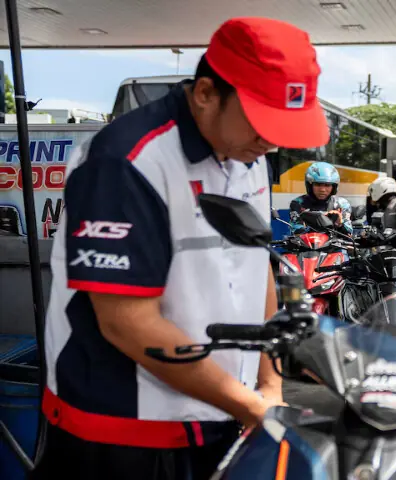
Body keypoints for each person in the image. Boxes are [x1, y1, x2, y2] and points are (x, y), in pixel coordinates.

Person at [32, 18, 330, 480]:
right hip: (124, 432)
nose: (270, 140)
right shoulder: (126, 160)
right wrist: (250, 403)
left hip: (223, 412)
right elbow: (127, 322)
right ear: (207, 93)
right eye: (261, 122)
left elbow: (256, 269)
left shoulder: (250, 154)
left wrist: (270, 385)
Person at [289, 161, 352, 234]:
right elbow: (296, 231)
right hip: (307, 244)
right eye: (318, 185)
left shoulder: (342, 204)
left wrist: (339, 224)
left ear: (333, 187)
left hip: (335, 244)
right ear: (310, 185)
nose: (322, 190)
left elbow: (349, 233)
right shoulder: (298, 203)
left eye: (327, 185)